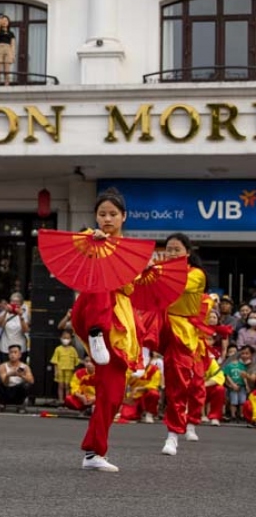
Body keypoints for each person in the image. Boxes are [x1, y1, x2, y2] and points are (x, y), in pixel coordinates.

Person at [69, 188, 142, 472]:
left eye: (113, 214)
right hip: (93, 311)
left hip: (119, 320)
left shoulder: (130, 250)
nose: (107, 219)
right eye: (102, 214)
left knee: (112, 394)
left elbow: (130, 285)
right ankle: (97, 333)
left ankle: (93, 452)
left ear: (124, 217)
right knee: (101, 282)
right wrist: (95, 243)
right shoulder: (92, 239)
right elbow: (78, 244)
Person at [158, 233, 208, 456]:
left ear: (187, 253)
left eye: (177, 249)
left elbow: (178, 285)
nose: (172, 253)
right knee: (171, 380)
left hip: (185, 333)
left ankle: (176, 432)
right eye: (169, 249)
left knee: (186, 383)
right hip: (162, 326)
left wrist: (154, 271)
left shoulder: (196, 275)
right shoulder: (161, 270)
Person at [51, 331, 80, 405]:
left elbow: (76, 361)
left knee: (67, 386)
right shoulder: (58, 349)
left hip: (70, 370)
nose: (66, 339)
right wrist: (56, 371)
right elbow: (55, 361)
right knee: (60, 386)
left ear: (70, 339)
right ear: (61, 338)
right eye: (64, 338)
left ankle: (67, 400)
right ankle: (61, 400)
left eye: (68, 338)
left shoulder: (73, 350)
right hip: (60, 370)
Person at [0, 13, 16, 85]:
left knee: (7, 69)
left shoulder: (11, 33)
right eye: (3, 20)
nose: (5, 22)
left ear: (8, 22)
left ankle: (6, 84)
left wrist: (13, 54)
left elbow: (13, 44)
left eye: (6, 20)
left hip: (8, 48)